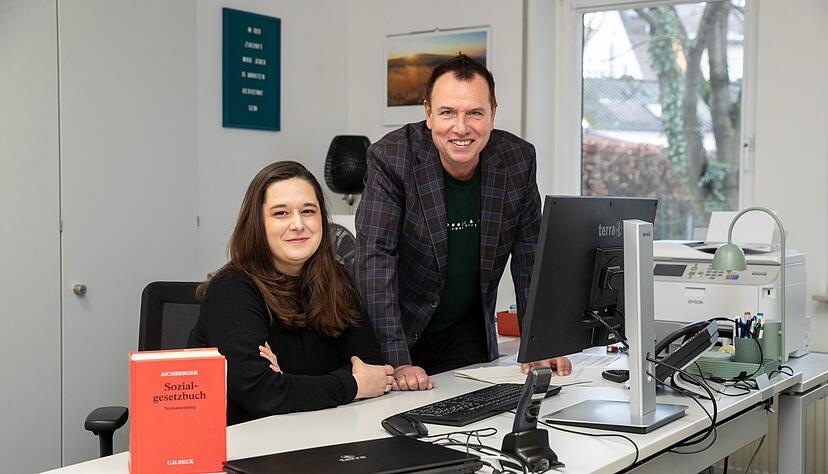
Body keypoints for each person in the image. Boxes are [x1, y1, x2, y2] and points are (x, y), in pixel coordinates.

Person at [356, 55, 571, 391]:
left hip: (465, 332)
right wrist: (398, 361)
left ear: (492, 113)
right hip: (398, 331)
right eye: (447, 113)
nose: (461, 127)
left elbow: (531, 256)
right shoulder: (392, 159)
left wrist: (539, 343)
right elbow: (375, 259)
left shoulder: (517, 160)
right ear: (428, 114)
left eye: (474, 113)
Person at [189, 161, 394, 424]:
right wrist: (351, 385)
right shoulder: (232, 289)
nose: (298, 224)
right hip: (250, 447)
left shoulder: (337, 279)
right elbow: (262, 394)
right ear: (258, 224)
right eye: (281, 213)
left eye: (308, 211)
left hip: (323, 431)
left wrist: (287, 380)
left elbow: (371, 368)